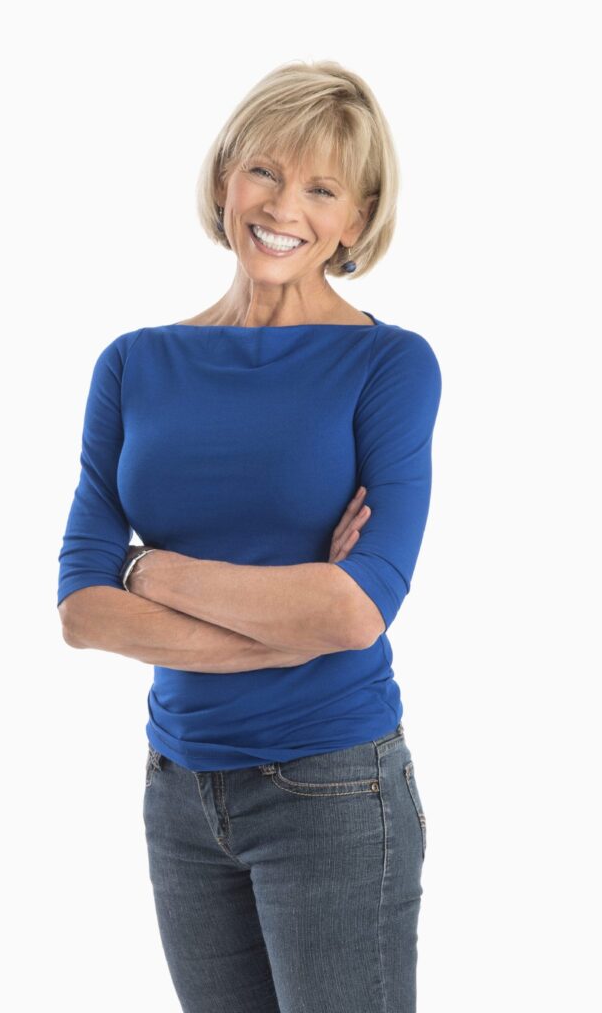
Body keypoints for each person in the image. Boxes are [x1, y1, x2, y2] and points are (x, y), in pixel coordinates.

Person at [57, 59, 442, 1013]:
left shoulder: (390, 366)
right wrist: (287, 620)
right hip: (179, 791)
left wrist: (155, 570)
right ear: (226, 176)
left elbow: (355, 614)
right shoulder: (135, 363)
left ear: (357, 219)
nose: (284, 206)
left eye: (322, 188)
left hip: (335, 789)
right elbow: (79, 609)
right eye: (265, 171)